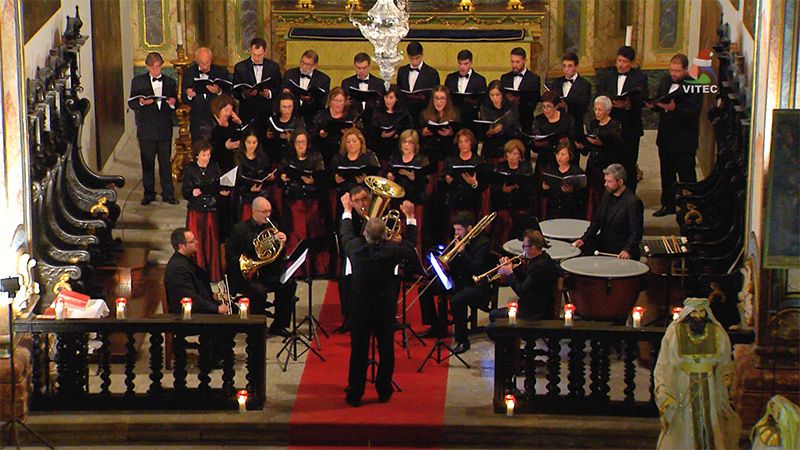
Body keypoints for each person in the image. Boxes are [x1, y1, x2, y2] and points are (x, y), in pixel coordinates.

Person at [340, 192, 418, 407]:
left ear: (364, 233)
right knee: (386, 349)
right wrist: (410, 217)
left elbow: (345, 233)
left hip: (360, 308)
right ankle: (384, 390)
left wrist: (347, 210)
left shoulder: (354, 249)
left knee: (358, 351)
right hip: (384, 308)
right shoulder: (391, 250)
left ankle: (355, 393)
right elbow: (410, 246)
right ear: (385, 235)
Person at [654, 298, 742, 450]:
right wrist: (664, 389)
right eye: (694, 312)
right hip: (683, 385)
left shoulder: (717, 331)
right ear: (687, 313)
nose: (698, 316)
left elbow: (725, 361)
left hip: (710, 385)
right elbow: (665, 363)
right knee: (684, 424)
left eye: (702, 312)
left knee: (711, 423)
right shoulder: (674, 331)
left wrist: (725, 376)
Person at [419, 211, 495, 354]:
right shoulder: (460, 240)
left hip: (476, 284)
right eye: (455, 229)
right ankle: (436, 327)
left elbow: (476, 268)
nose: (456, 233)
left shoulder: (483, 243)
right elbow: (455, 264)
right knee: (424, 289)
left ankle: (462, 341)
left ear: (470, 228)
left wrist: (462, 253)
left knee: (457, 301)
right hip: (459, 279)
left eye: (459, 229)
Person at [226, 196, 295, 337]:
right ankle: (257, 327)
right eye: (264, 212)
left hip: (268, 273)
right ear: (254, 212)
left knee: (289, 284)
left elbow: (279, 256)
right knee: (259, 291)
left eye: (269, 211)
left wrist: (282, 243)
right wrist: (249, 260)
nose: (268, 215)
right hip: (247, 276)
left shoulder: (273, 227)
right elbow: (230, 256)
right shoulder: (239, 230)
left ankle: (279, 325)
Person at [650, 53, 703, 217]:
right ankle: (668, 204)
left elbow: (694, 111)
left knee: (686, 175)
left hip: (684, 139)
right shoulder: (665, 81)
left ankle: (691, 207)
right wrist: (654, 104)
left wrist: (675, 109)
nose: (673, 74)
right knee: (667, 174)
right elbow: (661, 99)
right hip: (666, 136)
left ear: (686, 70)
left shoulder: (694, 86)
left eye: (677, 71)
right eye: (671, 70)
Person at [127, 52, 178, 205]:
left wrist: (172, 103)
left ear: (161, 65)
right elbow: (132, 103)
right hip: (146, 130)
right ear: (148, 67)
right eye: (153, 67)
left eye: (158, 66)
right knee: (148, 163)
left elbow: (175, 104)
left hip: (164, 129)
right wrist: (142, 102)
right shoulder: (138, 82)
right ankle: (149, 193)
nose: (156, 70)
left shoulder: (170, 82)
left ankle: (168, 193)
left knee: (165, 163)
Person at [595, 45, 648, 193]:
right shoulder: (607, 75)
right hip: (610, 126)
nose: (620, 64)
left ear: (631, 63)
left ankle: (629, 197)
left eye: (624, 62)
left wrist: (628, 104)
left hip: (630, 127)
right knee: (610, 164)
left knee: (629, 165)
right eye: (619, 61)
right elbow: (599, 93)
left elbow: (643, 100)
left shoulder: (640, 77)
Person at [279, 129, 329, 276]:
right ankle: (297, 270)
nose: (300, 145)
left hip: (311, 201)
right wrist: (282, 178)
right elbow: (281, 177)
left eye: (303, 142)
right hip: (293, 200)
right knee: (296, 233)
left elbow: (322, 178)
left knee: (312, 232)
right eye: (298, 142)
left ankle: (314, 269)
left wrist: (313, 180)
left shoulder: (315, 157)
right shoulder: (288, 158)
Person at [573, 163, 643, 260]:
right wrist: (584, 239)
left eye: (609, 181)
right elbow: (597, 222)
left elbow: (636, 232)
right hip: (604, 246)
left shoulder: (633, 202)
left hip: (621, 252)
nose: (605, 184)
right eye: (605, 181)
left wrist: (627, 250)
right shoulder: (607, 194)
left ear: (620, 182)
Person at [181, 141, 229, 281]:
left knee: (211, 241)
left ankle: (212, 274)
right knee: (196, 241)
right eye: (204, 155)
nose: (207, 158)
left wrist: (222, 192)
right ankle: (197, 274)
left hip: (211, 209)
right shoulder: (190, 169)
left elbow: (220, 185)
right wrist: (191, 192)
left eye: (208, 155)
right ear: (197, 156)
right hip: (196, 211)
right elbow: (185, 191)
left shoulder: (214, 167)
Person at [489, 229, 558, 321]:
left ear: (533, 247)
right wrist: (512, 268)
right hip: (535, 307)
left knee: (493, 316)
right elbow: (528, 279)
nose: (523, 249)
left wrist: (509, 274)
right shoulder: (544, 258)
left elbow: (521, 291)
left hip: (534, 313)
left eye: (524, 246)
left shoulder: (538, 266)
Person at [576, 95, 624, 219]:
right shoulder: (593, 123)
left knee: (604, 195)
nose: (597, 112)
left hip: (607, 164)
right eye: (595, 109)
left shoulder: (614, 124)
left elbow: (616, 145)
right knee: (591, 194)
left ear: (607, 110)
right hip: (593, 164)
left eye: (600, 110)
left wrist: (601, 143)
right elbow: (590, 146)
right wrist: (582, 147)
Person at [385, 129, 433, 254]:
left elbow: (427, 183)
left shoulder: (422, 160)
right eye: (404, 142)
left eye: (410, 143)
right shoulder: (394, 159)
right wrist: (390, 177)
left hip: (415, 201)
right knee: (395, 231)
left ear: (415, 145)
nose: (406, 145)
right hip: (397, 201)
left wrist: (414, 178)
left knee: (414, 232)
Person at [164, 227, 229, 315]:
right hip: (190, 315)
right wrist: (216, 309)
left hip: (200, 307)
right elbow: (191, 298)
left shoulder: (186, 260)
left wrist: (212, 295)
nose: (197, 242)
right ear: (181, 246)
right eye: (192, 241)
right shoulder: (178, 268)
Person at [335, 185, 372, 334]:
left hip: (375, 254)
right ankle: (350, 317)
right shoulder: (348, 217)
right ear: (351, 202)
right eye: (357, 201)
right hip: (356, 255)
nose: (361, 204)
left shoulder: (379, 212)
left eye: (364, 199)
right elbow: (345, 239)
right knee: (344, 280)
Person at [209, 94, 243, 240]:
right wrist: (226, 146)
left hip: (232, 167)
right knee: (222, 202)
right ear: (219, 109)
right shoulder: (211, 125)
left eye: (231, 109)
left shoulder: (233, 124)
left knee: (233, 203)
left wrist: (240, 123)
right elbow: (208, 150)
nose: (229, 113)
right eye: (226, 110)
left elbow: (245, 137)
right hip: (218, 169)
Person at [233, 37, 282, 137]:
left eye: (260, 55)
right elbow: (235, 92)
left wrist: (269, 93)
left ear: (265, 52)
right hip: (247, 112)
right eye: (254, 54)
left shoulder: (273, 67)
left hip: (267, 113)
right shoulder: (240, 67)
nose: (257, 58)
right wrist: (245, 94)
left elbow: (279, 88)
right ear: (250, 50)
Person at [490, 139, 533, 250]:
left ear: (520, 155)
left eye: (515, 154)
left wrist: (518, 187)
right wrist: (502, 189)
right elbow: (493, 188)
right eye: (509, 153)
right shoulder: (499, 167)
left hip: (519, 206)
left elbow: (529, 190)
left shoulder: (526, 168)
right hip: (503, 206)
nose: (512, 157)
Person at [181, 47, 231, 142]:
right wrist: (189, 95)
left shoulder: (221, 72)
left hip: (216, 119)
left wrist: (218, 91)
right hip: (197, 119)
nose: (204, 67)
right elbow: (183, 98)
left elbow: (228, 95)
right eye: (202, 63)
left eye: (207, 63)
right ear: (196, 60)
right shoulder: (188, 73)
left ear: (211, 60)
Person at [311, 87, 361, 165]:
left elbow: (360, 135)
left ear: (345, 102)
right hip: (325, 151)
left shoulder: (351, 116)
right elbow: (312, 135)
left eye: (341, 101)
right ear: (330, 101)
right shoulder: (321, 115)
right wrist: (320, 134)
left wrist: (349, 133)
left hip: (345, 153)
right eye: (335, 101)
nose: (338, 104)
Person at [281, 49, 331, 126]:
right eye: (302, 62)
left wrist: (310, 100)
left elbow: (322, 104)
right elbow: (281, 95)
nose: (304, 66)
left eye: (308, 64)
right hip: (290, 116)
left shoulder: (324, 79)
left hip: (312, 119)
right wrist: (285, 92)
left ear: (315, 66)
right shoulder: (289, 74)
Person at [500, 47, 541, 136]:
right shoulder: (505, 78)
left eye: (517, 62)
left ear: (525, 60)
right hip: (508, 121)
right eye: (512, 61)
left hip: (525, 121)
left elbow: (534, 101)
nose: (514, 65)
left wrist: (519, 101)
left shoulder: (533, 79)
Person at [477, 80, 521, 164]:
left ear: (502, 95)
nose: (495, 98)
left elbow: (517, 129)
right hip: (491, 147)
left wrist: (504, 129)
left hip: (507, 145)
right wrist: (491, 132)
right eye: (492, 95)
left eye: (497, 95)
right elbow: (482, 130)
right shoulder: (485, 107)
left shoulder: (510, 106)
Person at [396, 41, 440, 124]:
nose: (414, 61)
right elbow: (399, 92)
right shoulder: (402, 71)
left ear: (422, 55)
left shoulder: (432, 73)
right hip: (406, 114)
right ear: (408, 56)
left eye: (417, 58)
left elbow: (435, 96)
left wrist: (423, 97)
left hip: (424, 114)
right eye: (412, 59)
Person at [368, 85, 413, 164]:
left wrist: (397, 135)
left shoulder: (403, 113)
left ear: (397, 99)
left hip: (397, 147)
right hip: (380, 146)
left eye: (391, 98)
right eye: (386, 97)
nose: (388, 100)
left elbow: (408, 130)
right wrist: (381, 134)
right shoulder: (377, 111)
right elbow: (371, 130)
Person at [235, 130, 273, 221]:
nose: (251, 145)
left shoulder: (262, 157)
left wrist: (270, 178)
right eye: (249, 142)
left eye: (254, 142)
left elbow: (266, 175)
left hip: (261, 195)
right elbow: (236, 180)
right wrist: (249, 188)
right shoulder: (238, 157)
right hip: (245, 197)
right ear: (244, 142)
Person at [542, 140, 585, 220]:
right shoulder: (551, 169)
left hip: (570, 211)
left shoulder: (576, 171)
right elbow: (544, 194)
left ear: (570, 156)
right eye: (557, 154)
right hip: (553, 210)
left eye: (563, 154)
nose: (559, 157)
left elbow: (582, 196)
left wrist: (571, 192)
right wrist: (544, 189)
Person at [548, 52, 591, 132]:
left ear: (576, 66)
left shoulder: (584, 85)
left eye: (570, 66)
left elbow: (583, 108)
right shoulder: (556, 82)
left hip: (575, 126)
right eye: (564, 66)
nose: (566, 69)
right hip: (557, 126)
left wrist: (566, 106)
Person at [419, 85, 461, 164]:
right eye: (436, 98)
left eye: (442, 98)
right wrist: (423, 132)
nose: (439, 102)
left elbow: (459, 133)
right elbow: (419, 133)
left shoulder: (455, 113)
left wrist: (451, 133)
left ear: (447, 100)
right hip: (430, 150)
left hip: (449, 150)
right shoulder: (425, 113)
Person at [444, 49, 487, 126]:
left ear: (471, 63)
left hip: (471, 118)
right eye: (460, 64)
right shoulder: (450, 78)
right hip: (453, 117)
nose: (462, 67)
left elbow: (482, 102)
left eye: (465, 64)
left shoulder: (480, 80)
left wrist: (472, 101)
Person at [265, 92, 306, 164]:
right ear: (279, 107)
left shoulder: (298, 121)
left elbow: (304, 140)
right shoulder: (272, 120)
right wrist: (268, 136)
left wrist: (291, 138)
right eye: (284, 107)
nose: (287, 110)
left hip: (292, 158)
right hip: (274, 156)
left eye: (290, 107)